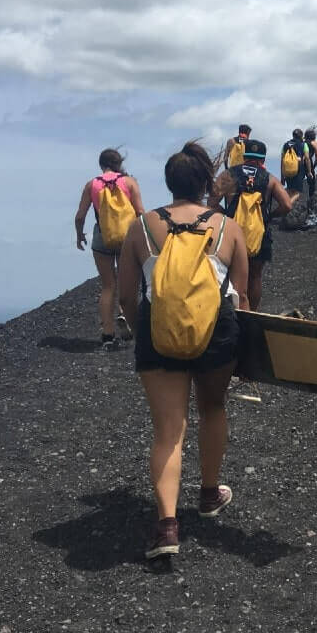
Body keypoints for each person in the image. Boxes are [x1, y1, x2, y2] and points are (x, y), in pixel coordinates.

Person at [117, 142, 250, 560]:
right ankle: (209, 495)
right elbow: (241, 293)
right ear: (206, 184)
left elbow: (126, 297)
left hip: (159, 334)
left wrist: (146, 328)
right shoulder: (228, 227)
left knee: (168, 429)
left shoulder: (141, 227)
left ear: (169, 183)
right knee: (212, 409)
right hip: (217, 333)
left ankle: (167, 526)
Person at [74, 148, 145, 350]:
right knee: (128, 282)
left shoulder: (92, 185)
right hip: (127, 237)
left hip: (101, 236)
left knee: (108, 286)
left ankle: (107, 335)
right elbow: (140, 211)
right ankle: (125, 317)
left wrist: (79, 235)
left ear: (101, 164)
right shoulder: (130, 182)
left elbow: (80, 216)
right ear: (119, 163)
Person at [218, 139, 293, 312]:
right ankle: (252, 312)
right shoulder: (270, 179)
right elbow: (287, 205)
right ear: (263, 160)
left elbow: (212, 201)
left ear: (244, 156)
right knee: (255, 275)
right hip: (259, 233)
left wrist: (226, 216)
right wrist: (270, 216)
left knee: (228, 273)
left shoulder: (228, 175)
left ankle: (230, 310)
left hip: (230, 232)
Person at [280, 128, 310, 197]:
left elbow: (282, 161)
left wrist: (282, 176)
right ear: (301, 136)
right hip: (299, 169)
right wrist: (309, 171)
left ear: (293, 135)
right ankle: (287, 205)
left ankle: (285, 204)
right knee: (297, 192)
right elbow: (307, 158)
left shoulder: (285, 145)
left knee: (289, 190)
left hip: (287, 170)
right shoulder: (303, 145)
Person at [303, 126, 317, 199]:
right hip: (308, 162)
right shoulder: (315, 143)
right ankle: (311, 201)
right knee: (312, 183)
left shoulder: (302, 143)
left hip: (299, 162)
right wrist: (313, 166)